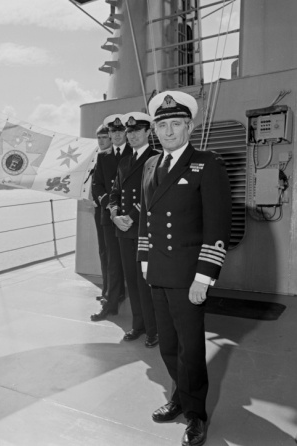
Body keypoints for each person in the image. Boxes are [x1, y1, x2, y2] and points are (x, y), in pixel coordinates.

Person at [139, 91, 231, 446]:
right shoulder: (150, 166)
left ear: (189, 126)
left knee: (191, 348)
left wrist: (204, 277)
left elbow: (217, 225)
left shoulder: (207, 164)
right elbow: (147, 222)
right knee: (168, 346)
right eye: (162, 125)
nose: (168, 131)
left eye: (175, 123)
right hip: (158, 272)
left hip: (189, 274)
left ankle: (196, 415)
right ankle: (179, 398)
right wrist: (145, 263)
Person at [107, 111, 160, 347]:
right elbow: (115, 192)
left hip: (145, 230)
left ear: (148, 132)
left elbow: (154, 193)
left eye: (137, 130)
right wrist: (115, 214)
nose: (132, 135)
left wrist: (130, 215)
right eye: (129, 131)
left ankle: (154, 329)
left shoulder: (157, 158)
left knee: (146, 281)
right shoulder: (124, 162)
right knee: (131, 279)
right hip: (124, 230)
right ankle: (138, 325)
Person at [90, 114, 131, 321]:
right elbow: (97, 184)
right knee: (113, 263)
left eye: (119, 131)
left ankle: (144, 315)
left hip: (133, 219)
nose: (115, 135)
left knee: (135, 265)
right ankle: (111, 304)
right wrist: (109, 206)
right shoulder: (103, 158)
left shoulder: (137, 154)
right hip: (109, 217)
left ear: (126, 133)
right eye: (112, 131)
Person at [90, 124, 112, 301]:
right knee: (103, 251)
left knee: (112, 252)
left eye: (105, 137)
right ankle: (107, 288)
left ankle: (113, 290)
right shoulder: (95, 156)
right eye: (99, 138)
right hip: (99, 209)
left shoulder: (113, 157)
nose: (102, 141)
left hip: (112, 209)